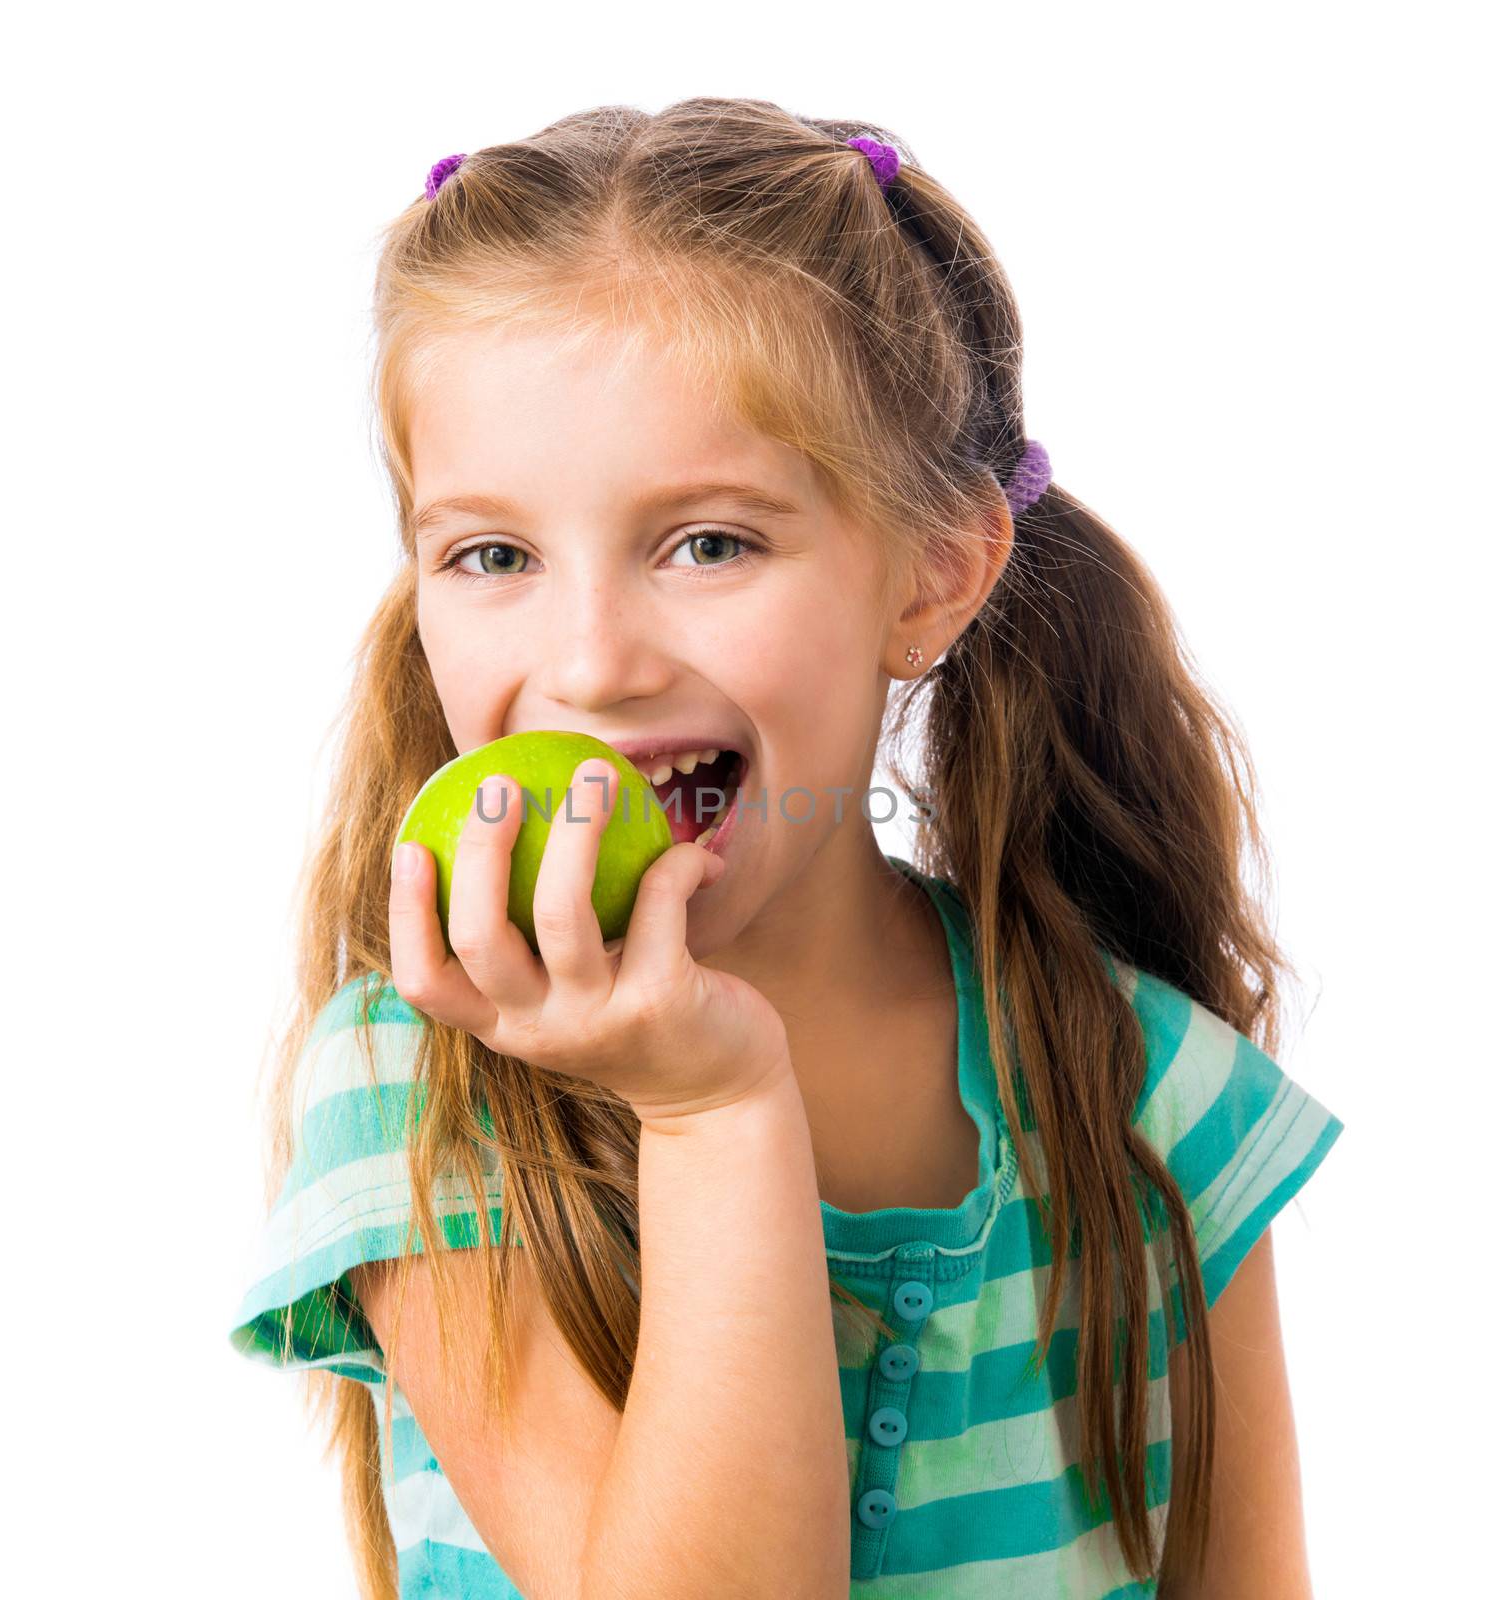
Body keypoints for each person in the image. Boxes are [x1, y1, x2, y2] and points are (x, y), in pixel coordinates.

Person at [228, 97, 1344, 1599]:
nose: (594, 661)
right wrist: (709, 1112)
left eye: (709, 544)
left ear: (932, 582)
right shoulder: (428, 1088)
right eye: (492, 555)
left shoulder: (1148, 1091)